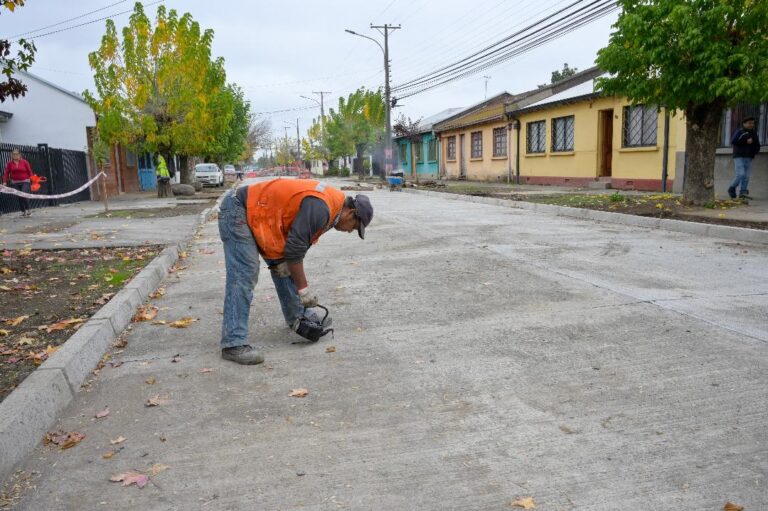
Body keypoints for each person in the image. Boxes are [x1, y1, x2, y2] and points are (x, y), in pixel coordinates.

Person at [218, 178, 373, 365]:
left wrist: (286, 265)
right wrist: (303, 290)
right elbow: (294, 250)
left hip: (263, 216)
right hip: (238, 209)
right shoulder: (322, 208)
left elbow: (295, 249)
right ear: (351, 212)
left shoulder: (332, 208)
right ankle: (233, 343)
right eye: (354, 227)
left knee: (284, 266)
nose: (350, 231)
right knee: (244, 273)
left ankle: (297, 318)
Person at [729, 116, 761, 200]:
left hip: (749, 156)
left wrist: (755, 151)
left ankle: (743, 193)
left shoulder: (754, 133)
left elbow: (757, 143)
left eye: (752, 123)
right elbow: (733, 141)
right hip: (739, 156)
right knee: (740, 174)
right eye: (749, 123)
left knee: (746, 176)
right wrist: (745, 141)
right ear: (744, 124)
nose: (751, 125)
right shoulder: (740, 131)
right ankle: (732, 188)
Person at [3, 149, 34, 217]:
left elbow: (30, 171)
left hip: (25, 181)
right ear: (11, 155)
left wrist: (33, 180)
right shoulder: (10, 163)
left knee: (23, 194)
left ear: (20, 155)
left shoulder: (24, 162)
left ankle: (29, 210)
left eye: (16, 154)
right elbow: (6, 173)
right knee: (19, 197)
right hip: (15, 182)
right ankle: (23, 211)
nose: (15, 155)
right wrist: (4, 181)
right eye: (14, 154)